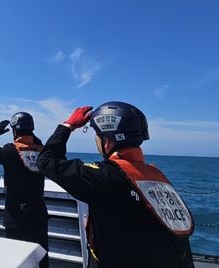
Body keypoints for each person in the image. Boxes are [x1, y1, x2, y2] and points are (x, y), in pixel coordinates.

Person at [37, 102, 195, 268]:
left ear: (107, 140)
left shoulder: (105, 177)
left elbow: (47, 162)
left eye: (98, 134)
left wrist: (67, 126)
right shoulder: (157, 176)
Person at [0, 113, 49, 267]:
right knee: (41, 259)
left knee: (17, 259)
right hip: (39, 216)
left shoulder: (10, 151)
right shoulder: (42, 150)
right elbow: (35, 141)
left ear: (14, 131)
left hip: (16, 218)